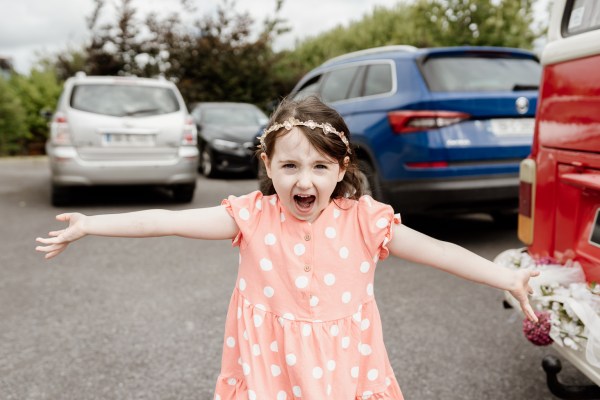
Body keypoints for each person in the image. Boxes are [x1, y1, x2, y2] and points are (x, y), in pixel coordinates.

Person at [36, 96, 539, 400]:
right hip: (268, 367)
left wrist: (507, 278)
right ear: (268, 165)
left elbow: (442, 251)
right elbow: (165, 221)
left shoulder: (366, 220)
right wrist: (90, 225)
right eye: (291, 166)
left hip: (344, 366)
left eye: (320, 167)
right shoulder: (252, 216)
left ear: (341, 169)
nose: (305, 179)